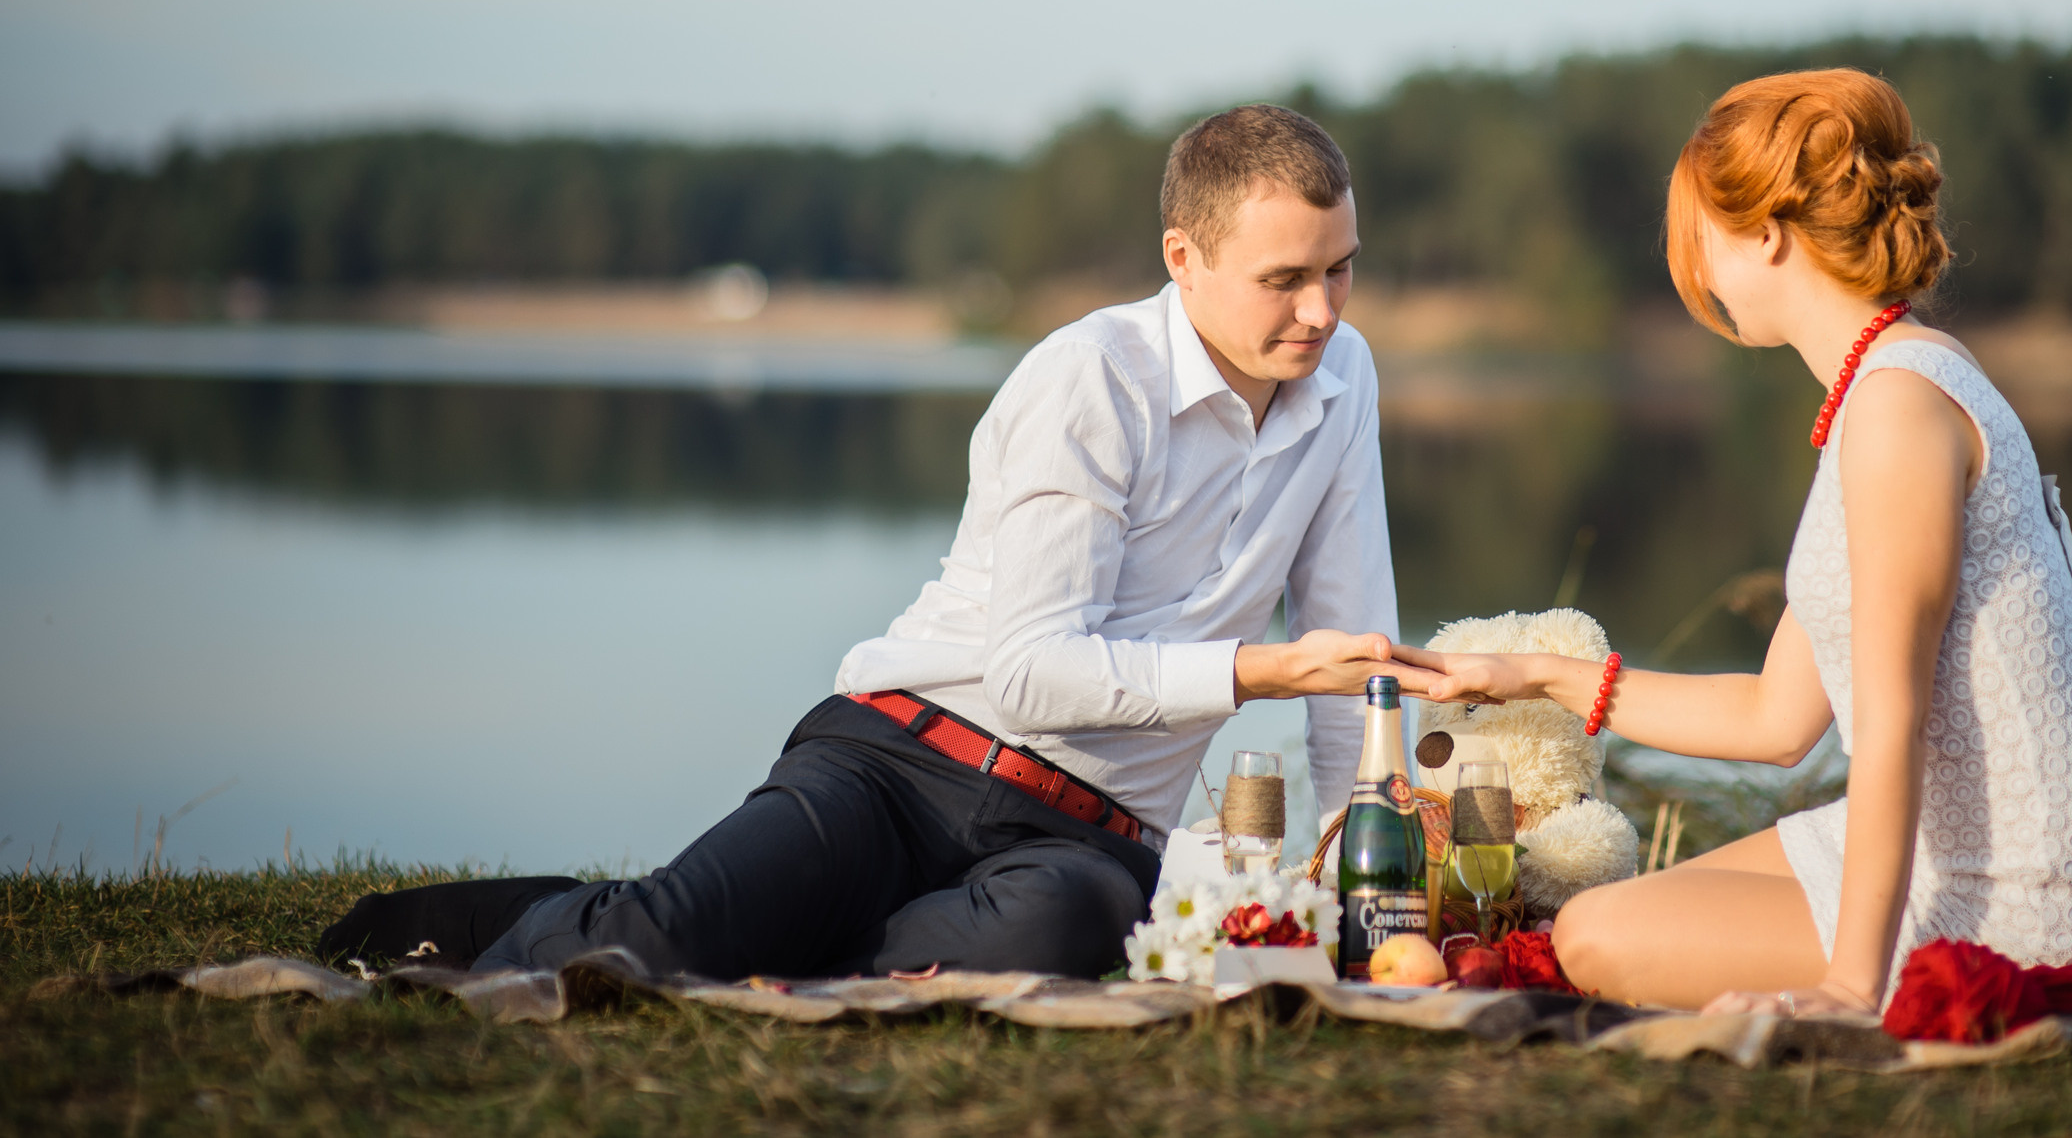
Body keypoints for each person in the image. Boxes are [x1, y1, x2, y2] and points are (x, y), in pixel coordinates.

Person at [327, 104, 1441, 983]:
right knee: (653, 950)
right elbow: (1028, 669)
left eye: (1338, 266)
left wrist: (1365, 849)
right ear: (1182, 256)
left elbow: (1356, 642)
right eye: (1283, 278)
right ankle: (499, 921)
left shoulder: (1343, 381)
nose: (1323, 309)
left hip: (1086, 842)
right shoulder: (1091, 378)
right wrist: (1255, 669)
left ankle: (782, 934)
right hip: (901, 761)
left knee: (1064, 932)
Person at [1398, 69, 2072, 1015]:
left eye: (1702, 242)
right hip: (1954, 841)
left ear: (1765, 234)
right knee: (1610, 914)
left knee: (1591, 936)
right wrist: (1538, 677)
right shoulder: (1884, 380)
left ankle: (1865, 967)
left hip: (2033, 892)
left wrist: (1849, 986)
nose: (1700, 273)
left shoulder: (1895, 410)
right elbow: (1777, 717)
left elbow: (1891, 727)